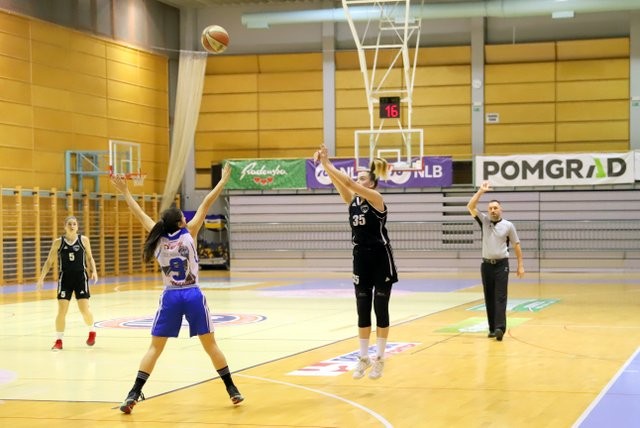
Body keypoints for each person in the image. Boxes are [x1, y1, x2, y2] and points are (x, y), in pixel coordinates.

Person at [110, 163, 243, 414]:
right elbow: (206, 201)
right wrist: (223, 181)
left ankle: (133, 393)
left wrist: (125, 192)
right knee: (210, 345)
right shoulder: (189, 232)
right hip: (192, 294)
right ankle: (232, 389)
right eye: (183, 215)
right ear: (181, 222)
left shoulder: (157, 237)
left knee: (154, 348)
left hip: (170, 297)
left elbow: (139, 212)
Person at [314, 144, 398, 380]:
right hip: (360, 257)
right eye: (357, 178)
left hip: (381, 257)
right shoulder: (353, 201)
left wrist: (329, 163)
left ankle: (380, 358)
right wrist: (324, 164)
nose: (356, 180)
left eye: (362, 178)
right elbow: (343, 185)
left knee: (380, 308)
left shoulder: (377, 199)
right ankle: (363, 357)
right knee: (362, 310)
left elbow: (349, 184)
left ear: (371, 184)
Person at [467, 181, 525, 341]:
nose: (493, 210)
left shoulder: (508, 226)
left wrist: (520, 265)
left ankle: (500, 328)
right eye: (490, 208)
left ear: (501, 210)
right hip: (486, 266)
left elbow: (516, 245)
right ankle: (492, 328)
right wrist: (480, 191)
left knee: (500, 296)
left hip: (501, 266)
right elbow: (470, 206)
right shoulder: (484, 221)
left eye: (495, 208)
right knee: (489, 297)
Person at [37, 216, 98, 350]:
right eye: (69, 224)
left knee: (84, 309)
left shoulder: (83, 240)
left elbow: (90, 257)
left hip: (80, 278)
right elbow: (49, 261)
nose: (72, 226)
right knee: (61, 311)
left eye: (74, 224)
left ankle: (92, 331)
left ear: (77, 226)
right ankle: (59, 341)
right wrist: (41, 277)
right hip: (65, 279)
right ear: (65, 226)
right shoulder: (58, 242)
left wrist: (94, 271)